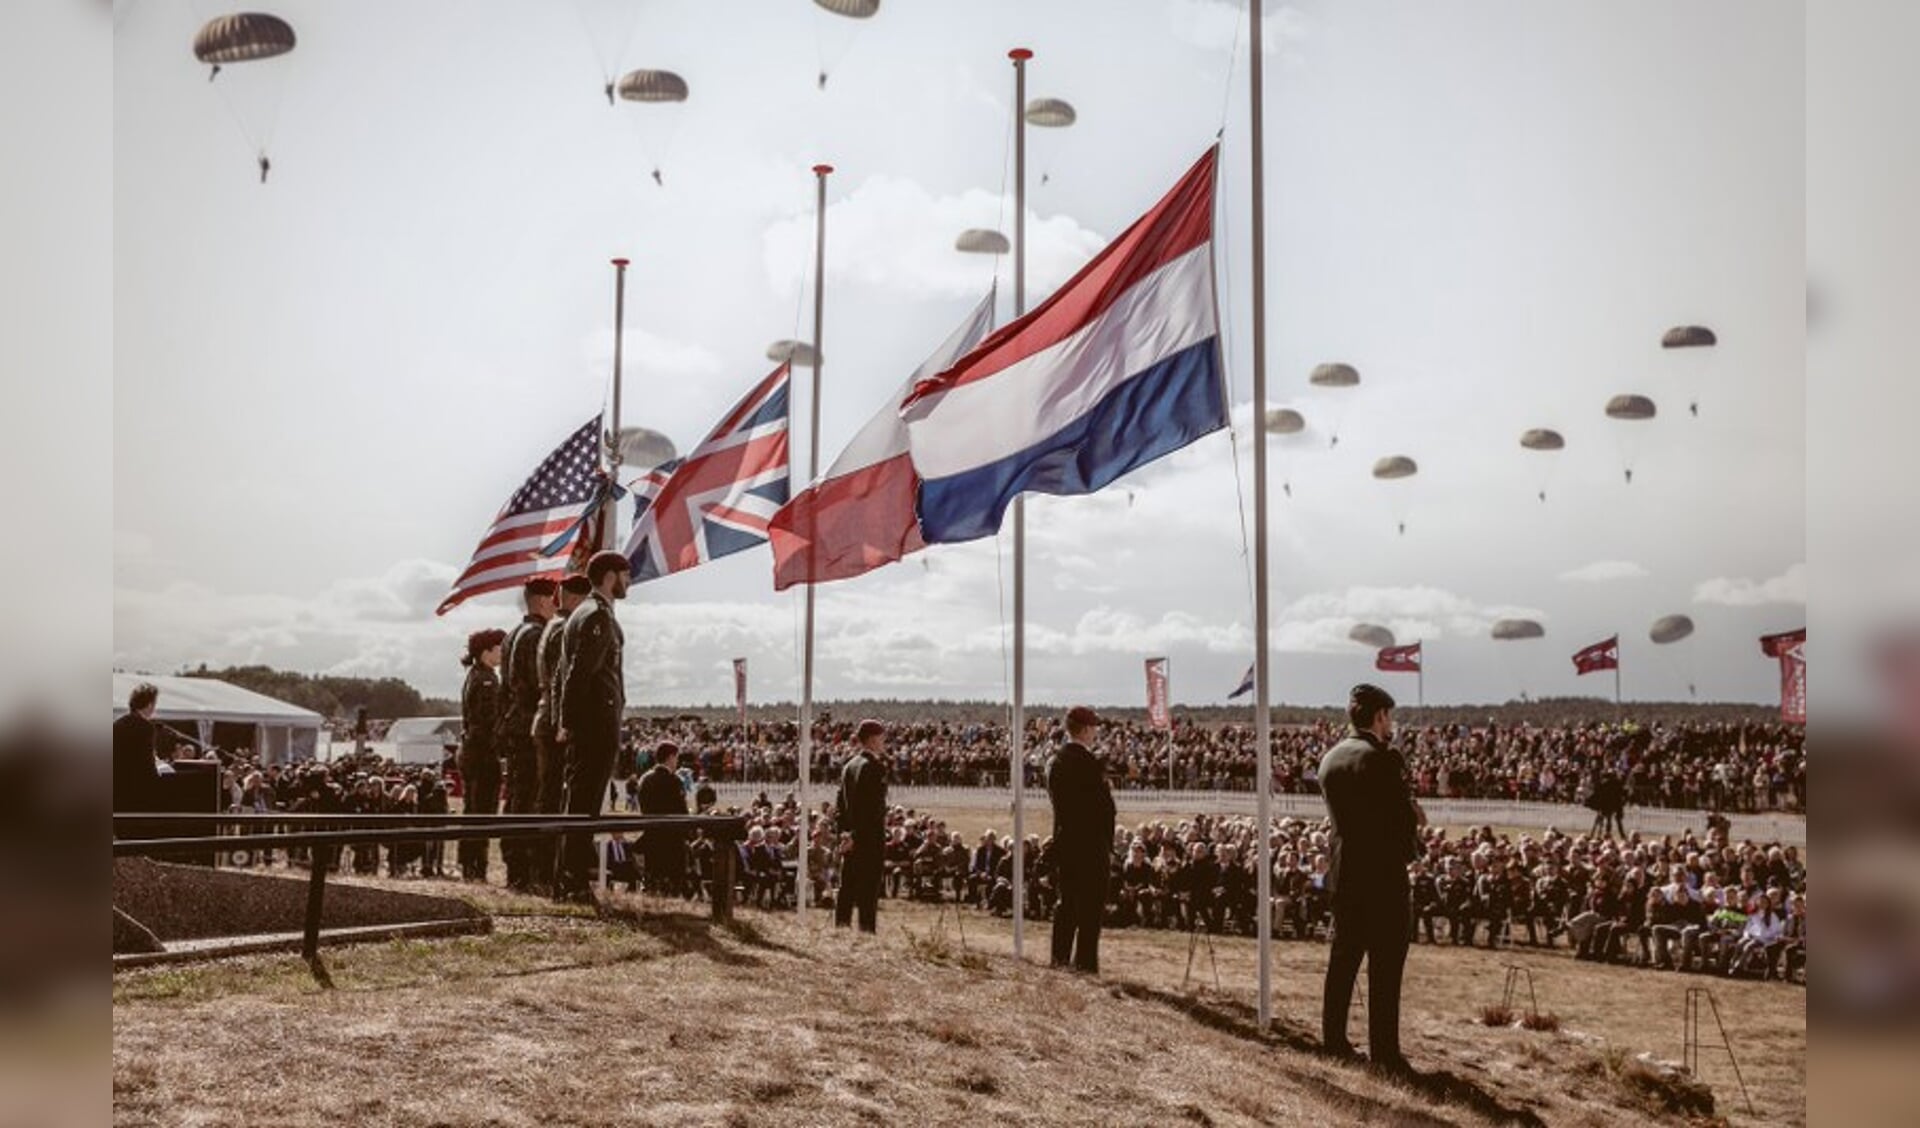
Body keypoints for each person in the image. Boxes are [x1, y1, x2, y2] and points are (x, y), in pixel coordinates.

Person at [1319, 683, 1422, 1072]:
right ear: (1379, 717)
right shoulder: (1383, 759)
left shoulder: (1331, 758)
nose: (1391, 723)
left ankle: (1333, 1040)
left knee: (1342, 961)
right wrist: (1414, 824)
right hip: (1382, 877)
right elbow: (1397, 821)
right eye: (1389, 716)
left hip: (1345, 872)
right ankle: (1385, 1052)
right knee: (1385, 967)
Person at [554, 551, 630, 902]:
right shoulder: (596, 616)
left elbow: (564, 674)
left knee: (580, 801)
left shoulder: (582, 613)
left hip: (591, 721)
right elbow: (577, 675)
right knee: (584, 803)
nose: (629, 582)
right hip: (595, 722)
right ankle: (573, 882)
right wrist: (569, 722)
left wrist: (566, 720)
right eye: (625, 575)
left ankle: (567, 878)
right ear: (611, 576)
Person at [498, 576, 558, 892]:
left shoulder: (512, 635)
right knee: (530, 797)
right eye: (554, 598)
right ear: (541, 600)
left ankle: (516, 866)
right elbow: (539, 684)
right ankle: (525, 869)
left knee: (517, 797)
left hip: (515, 724)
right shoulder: (537, 635)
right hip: (528, 725)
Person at [531, 573, 590, 892]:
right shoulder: (566, 627)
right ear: (576, 598)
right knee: (556, 801)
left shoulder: (553, 625)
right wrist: (564, 724)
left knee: (550, 798)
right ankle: (548, 873)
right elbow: (561, 682)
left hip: (546, 717)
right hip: (555, 722)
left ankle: (546, 872)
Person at [1047, 705, 1116, 973]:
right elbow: (1103, 810)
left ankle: (1060, 959)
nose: (1096, 732)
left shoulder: (1056, 761)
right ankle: (1085, 965)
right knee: (1090, 911)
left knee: (1067, 905)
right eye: (1094, 727)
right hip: (1091, 845)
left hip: (1066, 843)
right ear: (1086, 729)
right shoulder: (1090, 764)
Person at [457, 628, 507, 882]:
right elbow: (487, 722)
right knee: (481, 812)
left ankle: (471, 865)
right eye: (500, 647)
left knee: (472, 810)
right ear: (487, 651)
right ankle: (475, 867)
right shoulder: (487, 679)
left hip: (473, 752)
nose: (503, 652)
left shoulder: (475, 675)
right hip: (482, 754)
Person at [834, 719, 889, 931]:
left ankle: (841, 928)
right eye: (882, 737)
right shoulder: (874, 767)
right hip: (868, 838)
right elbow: (873, 810)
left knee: (847, 887)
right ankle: (866, 933)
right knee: (868, 891)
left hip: (850, 838)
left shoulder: (849, 766)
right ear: (873, 739)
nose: (884, 742)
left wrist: (845, 835)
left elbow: (841, 806)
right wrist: (856, 836)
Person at [638, 740, 689, 895]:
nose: (677, 762)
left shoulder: (645, 779)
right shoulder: (674, 781)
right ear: (670, 757)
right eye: (676, 757)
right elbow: (681, 811)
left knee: (653, 873)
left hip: (651, 832)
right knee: (671, 876)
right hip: (671, 836)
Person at [113, 681, 162, 812]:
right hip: (138, 794)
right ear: (150, 704)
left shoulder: (117, 724)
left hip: (117, 791)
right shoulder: (146, 727)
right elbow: (146, 764)